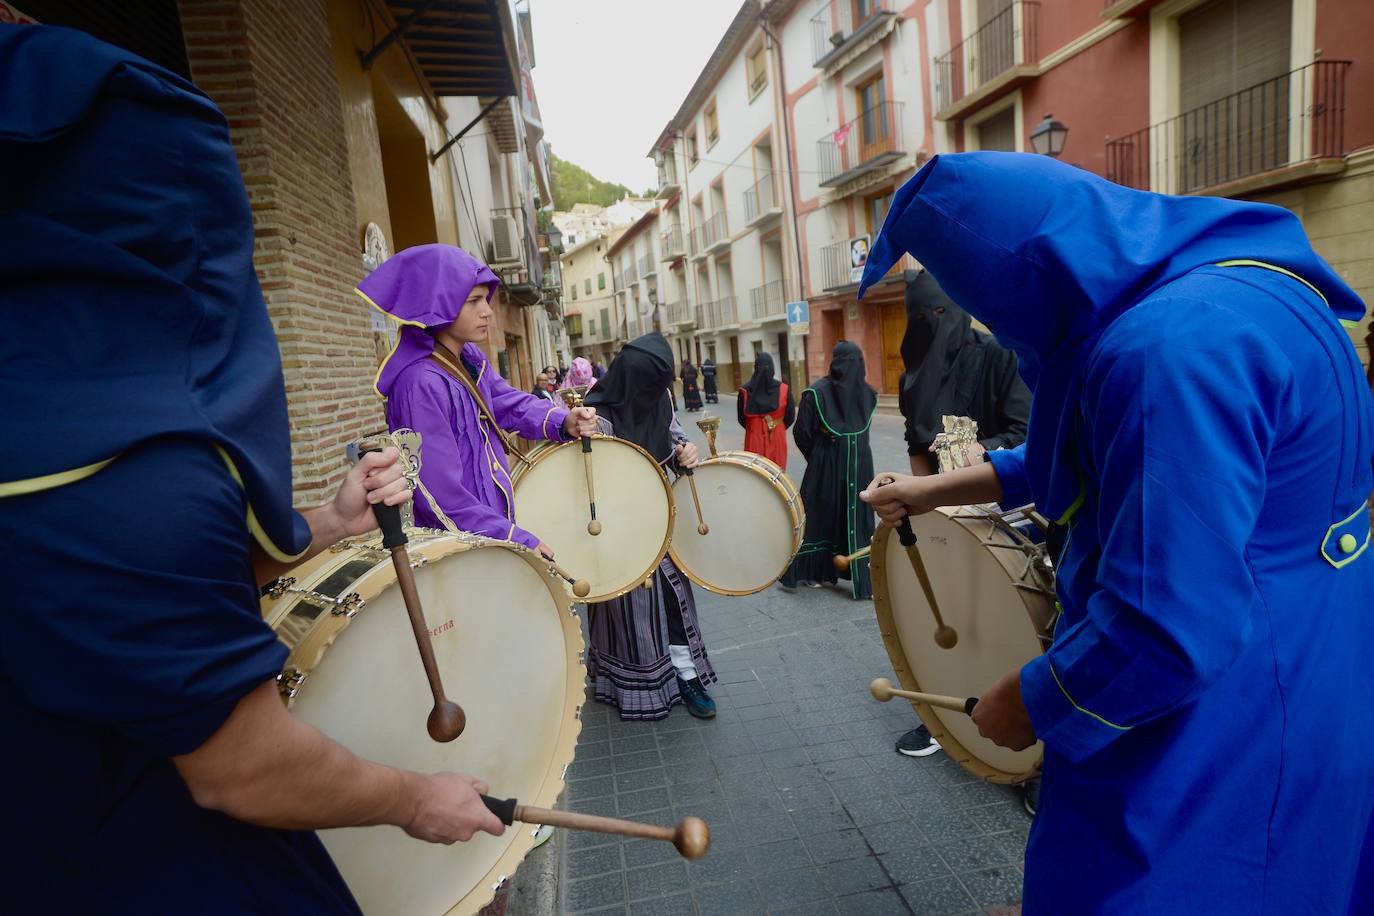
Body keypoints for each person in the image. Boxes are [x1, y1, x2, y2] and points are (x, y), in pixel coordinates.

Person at [0, 25, 504, 913]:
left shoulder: (49, 402)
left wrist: (332, 521)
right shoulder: (128, 459)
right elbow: (244, 769)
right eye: (474, 299)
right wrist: (416, 798)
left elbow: (139, 601)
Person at [858, 151, 1374, 914]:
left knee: (1182, 878)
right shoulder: (1245, 282)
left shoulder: (1170, 350)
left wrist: (1037, 700)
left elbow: (1167, 628)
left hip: (1229, 710)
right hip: (1321, 653)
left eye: (998, 314)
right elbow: (1093, 450)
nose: (1002, 333)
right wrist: (935, 489)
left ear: (1036, 282)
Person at [358, 244, 598, 556]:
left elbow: (506, 403)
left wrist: (563, 420)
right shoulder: (420, 384)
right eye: (473, 301)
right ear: (438, 305)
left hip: (489, 536)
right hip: (458, 553)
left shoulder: (467, 360)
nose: (487, 310)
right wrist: (516, 538)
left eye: (485, 299)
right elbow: (439, 497)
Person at [893, 268, 1032, 763]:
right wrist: (925, 501)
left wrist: (978, 455)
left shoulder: (1000, 356)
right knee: (945, 617)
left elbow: (1024, 433)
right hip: (945, 516)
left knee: (1000, 618)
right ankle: (946, 715)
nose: (929, 325)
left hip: (1006, 510)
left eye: (936, 314)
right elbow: (916, 445)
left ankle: (1021, 718)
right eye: (918, 318)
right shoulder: (912, 372)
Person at [583, 334, 717, 720]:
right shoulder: (594, 417)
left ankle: (686, 675)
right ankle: (627, 679)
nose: (655, 396)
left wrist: (684, 452)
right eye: (649, 387)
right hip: (613, 531)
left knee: (674, 600)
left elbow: (674, 439)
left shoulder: (661, 398)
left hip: (659, 519)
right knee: (626, 611)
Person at [781, 341, 878, 598]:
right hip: (847, 463)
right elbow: (803, 431)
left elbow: (803, 433)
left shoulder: (863, 394)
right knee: (824, 513)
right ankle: (818, 570)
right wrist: (821, 456)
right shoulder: (819, 393)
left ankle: (852, 573)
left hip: (843, 464)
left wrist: (821, 455)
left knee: (840, 514)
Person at [736, 352, 795, 470]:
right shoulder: (784, 389)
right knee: (776, 475)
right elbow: (790, 416)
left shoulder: (745, 391)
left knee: (756, 475)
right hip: (777, 435)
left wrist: (755, 426)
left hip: (753, 438)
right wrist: (777, 425)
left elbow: (741, 419)